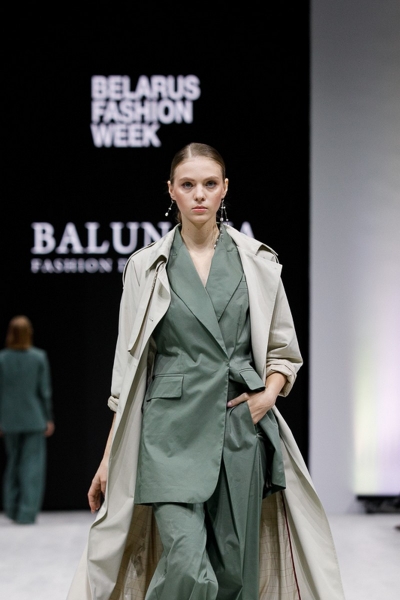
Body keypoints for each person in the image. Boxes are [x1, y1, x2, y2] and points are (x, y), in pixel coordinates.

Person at [67, 143, 345, 599]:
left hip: (239, 426)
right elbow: (129, 367)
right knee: (186, 566)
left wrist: (267, 396)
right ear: (171, 191)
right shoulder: (146, 267)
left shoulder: (258, 261)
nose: (199, 194)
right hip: (168, 432)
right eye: (188, 184)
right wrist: (109, 456)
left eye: (209, 184)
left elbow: (283, 348)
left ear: (224, 189)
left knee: (235, 575)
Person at [0, 315, 54, 524]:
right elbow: (44, 391)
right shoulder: (38, 357)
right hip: (33, 418)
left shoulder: (2, 359)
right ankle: (27, 512)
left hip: (9, 420)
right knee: (32, 467)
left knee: (13, 463)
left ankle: (12, 509)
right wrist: (48, 417)